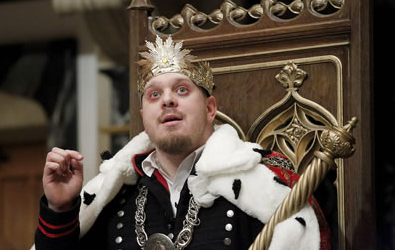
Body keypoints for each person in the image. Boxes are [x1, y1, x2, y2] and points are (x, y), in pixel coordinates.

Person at [34, 36, 328, 250]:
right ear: (143, 117)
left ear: (210, 109)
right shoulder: (114, 196)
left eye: (182, 90)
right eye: (154, 95)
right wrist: (60, 208)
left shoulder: (265, 184)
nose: (168, 100)